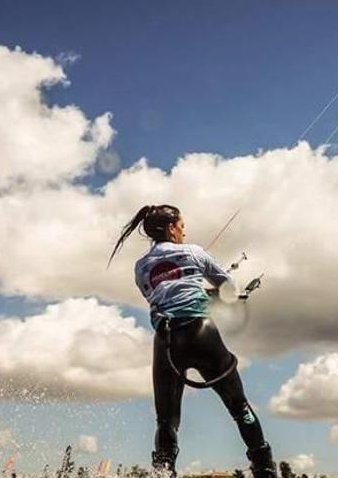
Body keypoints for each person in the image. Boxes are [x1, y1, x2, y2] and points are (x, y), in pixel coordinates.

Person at [109, 205, 277, 478]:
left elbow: (160, 296)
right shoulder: (194, 252)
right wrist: (212, 294)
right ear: (171, 228)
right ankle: (265, 469)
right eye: (181, 225)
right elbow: (228, 288)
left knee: (166, 421)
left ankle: (163, 472)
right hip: (202, 334)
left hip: (166, 341)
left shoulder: (140, 267)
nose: (184, 231)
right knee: (239, 407)